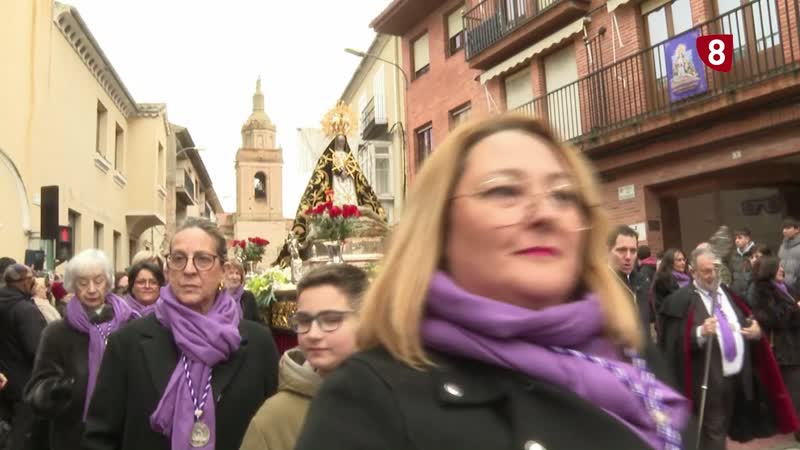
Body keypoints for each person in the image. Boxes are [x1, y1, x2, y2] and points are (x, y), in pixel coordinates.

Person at [294, 115, 692, 450]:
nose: (544, 214)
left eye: (564, 196)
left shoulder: (633, 353)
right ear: (439, 229)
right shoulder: (368, 400)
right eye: (504, 191)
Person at [82, 217, 279, 450]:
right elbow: (100, 437)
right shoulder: (128, 344)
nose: (188, 270)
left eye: (203, 259)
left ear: (223, 271)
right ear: (168, 270)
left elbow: (273, 432)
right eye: (178, 259)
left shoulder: (258, 344)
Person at [659, 246, 798, 450]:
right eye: (706, 271)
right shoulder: (682, 301)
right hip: (708, 380)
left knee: (721, 430)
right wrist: (700, 332)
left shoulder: (726, 294)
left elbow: (745, 319)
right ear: (693, 272)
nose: (712, 275)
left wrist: (756, 330)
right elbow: (672, 343)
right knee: (713, 431)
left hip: (736, 378)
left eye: (715, 269)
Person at [240, 264, 367, 450]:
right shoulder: (275, 418)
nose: (313, 334)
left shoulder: (401, 398)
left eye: (331, 319)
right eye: (304, 321)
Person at [24, 249, 136, 450]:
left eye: (98, 281)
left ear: (108, 282)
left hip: (124, 434)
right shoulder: (57, 333)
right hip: (73, 437)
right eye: (83, 283)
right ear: (73, 286)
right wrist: (61, 389)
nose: (91, 289)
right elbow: (36, 391)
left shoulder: (129, 325)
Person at [750, 256, 800, 441]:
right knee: (794, 388)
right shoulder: (762, 291)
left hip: (794, 343)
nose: (782, 270)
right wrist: (796, 310)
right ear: (769, 270)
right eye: (778, 267)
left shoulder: (786, 288)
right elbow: (771, 318)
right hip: (782, 348)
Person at [0, 264, 46, 450]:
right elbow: (38, 350)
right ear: (26, 283)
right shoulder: (26, 310)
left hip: (5, 382)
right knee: (22, 439)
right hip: (25, 386)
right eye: (32, 278)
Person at [608, 225, 652, 328]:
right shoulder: (597, 286)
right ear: (608, 251)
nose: (628, 257)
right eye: (621, 250)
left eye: (633, 251)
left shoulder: (643, 281)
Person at [225, 259, 262, 324]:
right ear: (224, 276)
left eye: (237, 273)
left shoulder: (248, 296)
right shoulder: (218, 298)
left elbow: (258, 322)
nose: (235, 277)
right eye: (231, 273)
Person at [729, 228, 756, 297]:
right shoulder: (734, 255)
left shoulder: (755, 253)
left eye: (740, 238)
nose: (736, 240)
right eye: (735, 238)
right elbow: (731, 275)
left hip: (752, 295)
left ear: (747, 239)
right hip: (737, 295)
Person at [779, 217, 800, 292]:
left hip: (796, 288)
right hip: (783, 286)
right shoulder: (783, 245)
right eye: (783, 228)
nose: (784, 231)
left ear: (797, 229)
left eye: (787, 228)